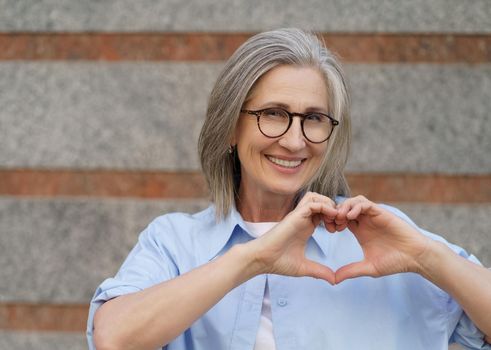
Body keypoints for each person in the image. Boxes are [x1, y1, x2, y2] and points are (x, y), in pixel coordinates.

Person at [87, 28, 491, 350]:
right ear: (230, 126)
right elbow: (114, 338)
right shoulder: (174, 243)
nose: (296, 142)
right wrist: (252, 259)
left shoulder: (387, 242)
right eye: (274, 114)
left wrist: (428, 257)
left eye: (313, 118)